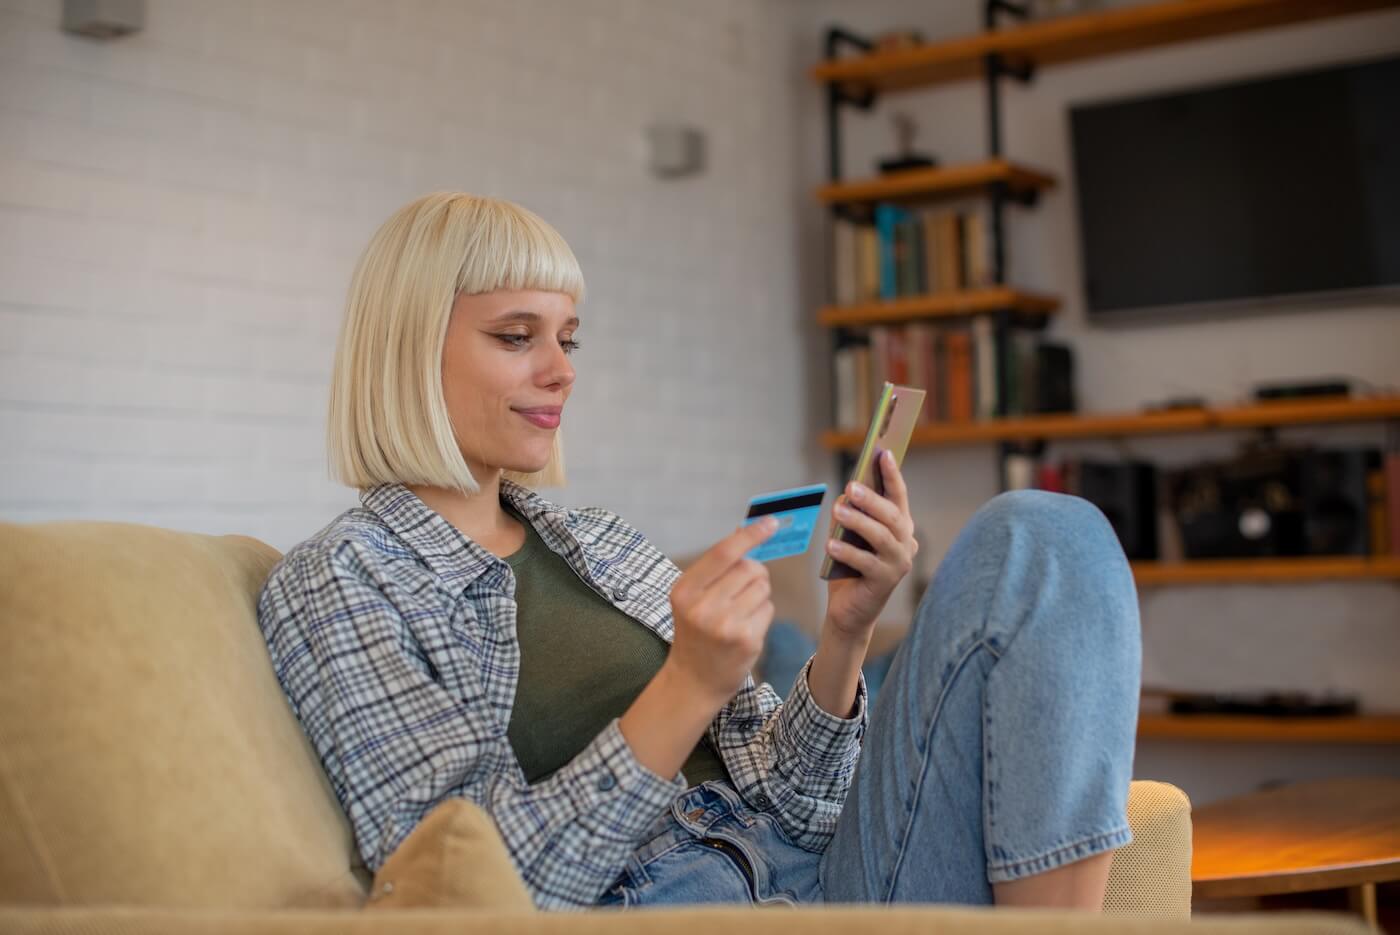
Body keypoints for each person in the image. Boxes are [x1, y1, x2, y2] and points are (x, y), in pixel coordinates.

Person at [257, 191, 1142, 913]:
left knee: (1042, 536)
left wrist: (845, 635)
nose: (563, 369)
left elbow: (797, 798)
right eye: (516, 335)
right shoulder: (343, 578)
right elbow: (479, 895)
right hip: (674, 904)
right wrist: (687, 683)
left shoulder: (596, 543)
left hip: (819, 876)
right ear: (412, 351)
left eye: (568, 338)